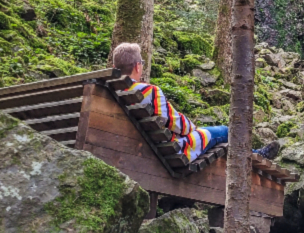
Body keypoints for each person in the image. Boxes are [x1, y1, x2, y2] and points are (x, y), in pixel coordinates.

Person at [112, 42, 279, 163]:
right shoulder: (148, 91)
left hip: (130, 146)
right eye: (141, 63)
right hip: (170, 151)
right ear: (137, 67)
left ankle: (255, 153)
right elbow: (177, 125)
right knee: (224, 131)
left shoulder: (111, 91)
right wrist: (194, 128)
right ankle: (256, 155)